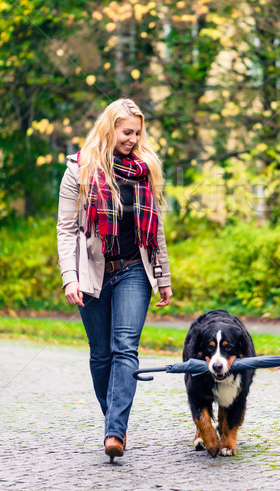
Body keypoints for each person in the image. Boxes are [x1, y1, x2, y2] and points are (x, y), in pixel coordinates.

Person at [57, 98, 172, 462]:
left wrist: (163, 275)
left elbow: (157, 230)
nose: (133, 139)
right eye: (127, 132)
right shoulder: (79, 169)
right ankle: (113, 418)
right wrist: (69, 277)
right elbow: (66, 229)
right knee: (101, 354)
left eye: (137, 133)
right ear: (109, 128)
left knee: (125, 347)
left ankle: (114, 431)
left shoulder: (145, 167)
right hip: (92, 272)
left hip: (133, 269)